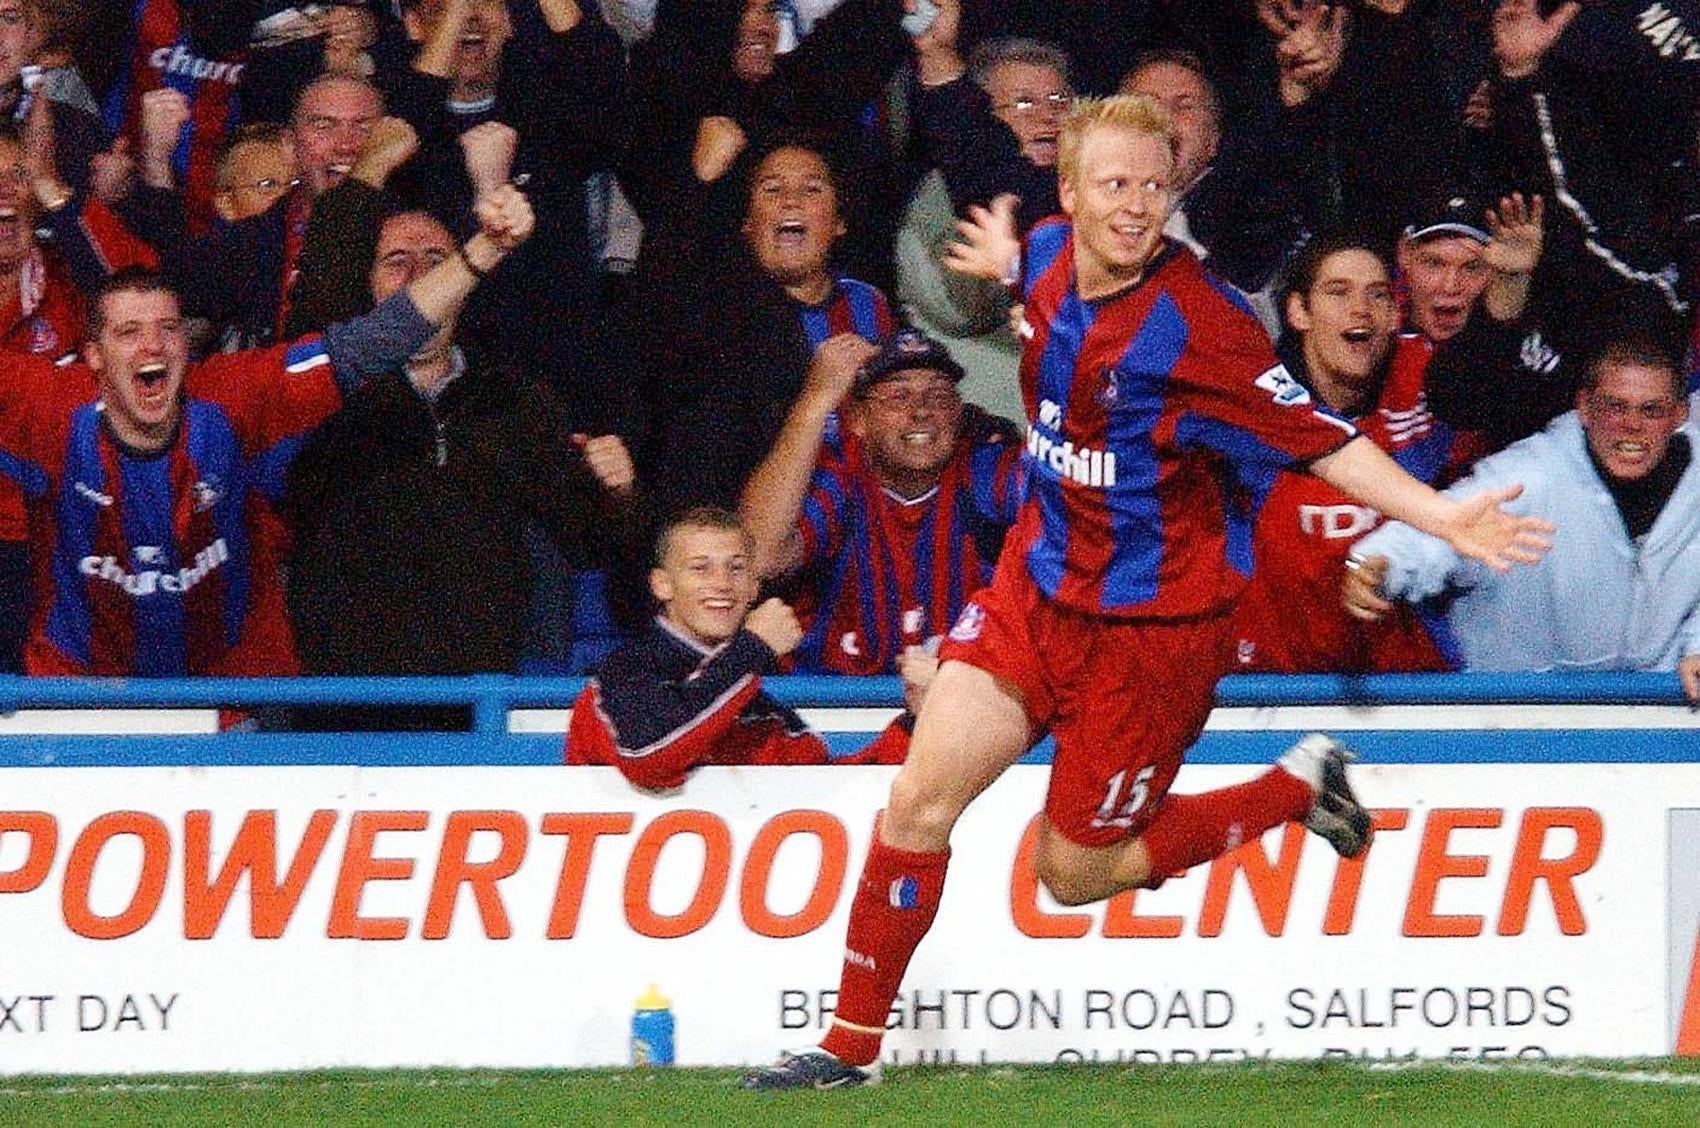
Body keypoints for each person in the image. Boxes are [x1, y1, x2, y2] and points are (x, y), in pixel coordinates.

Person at [741, 94, 1552, 1090]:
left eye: (1153, 189)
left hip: (1151, 637)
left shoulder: (1201, 325)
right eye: (1115, 186)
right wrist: (999, 257)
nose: (1134, 208)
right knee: (916, 800)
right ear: (1070, 193)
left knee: (1070, 875)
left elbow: (1326, 449)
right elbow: (1029, 285)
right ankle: (845, 1051)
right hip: (1036, 592)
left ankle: (1290, 787)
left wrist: (1439, 517)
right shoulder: (1040, 253)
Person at [0, 182, 532, 676]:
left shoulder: (232, 401)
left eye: (167, 329)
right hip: (81, 698)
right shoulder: (49, 408)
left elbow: (372, 342)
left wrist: (484, 250)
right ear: (93, 356)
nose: (152, 347)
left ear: (186, 345)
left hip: (231, 699)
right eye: (129, 333)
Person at [280, 205, 647, 701]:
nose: (419, 276)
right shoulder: (324, 405)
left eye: (437, 259)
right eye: (397, 261)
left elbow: (591, 537)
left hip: (482, 701)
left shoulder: (518, 401)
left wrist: (618, 491)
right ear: (365, 285)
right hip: (341, 701)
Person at [1345, 337, 1700, 699]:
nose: (1632, 425)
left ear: (1680, 413)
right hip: (1512, 716)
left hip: (1653, 715)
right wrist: (1378, 564)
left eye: (1652, 410)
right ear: (1584, 407)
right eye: (1615, 407)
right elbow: (1439, 529)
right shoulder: (1528, 477)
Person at [1231, 233, 1458, 673]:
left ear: (1395, 314)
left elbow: (1505, 378)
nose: (1361, 309)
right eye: (1338, 292)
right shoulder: (1249, 414)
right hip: (1269, 692)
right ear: (1299, 311)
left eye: (1377, 295)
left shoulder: (1427, 390)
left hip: (1411, 694)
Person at [740, 328, 1024, 676]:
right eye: (899, 397)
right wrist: (816, 400)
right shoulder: (842, 475)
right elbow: (761, 557)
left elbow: (1084, 513)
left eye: (938, 396)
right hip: (832, 707)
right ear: (858, 420)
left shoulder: (983, 468)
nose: (921, 412)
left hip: (956, 704)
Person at [566, 507, 911, 792]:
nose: (722, 584)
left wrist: (917, 722)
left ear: (753, 588)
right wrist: (752, 649)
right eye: (701, 568)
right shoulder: (622, 673)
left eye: (736, 569)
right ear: (662, 585)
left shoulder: (761, 710)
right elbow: (649, 756)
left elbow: (836, 798)